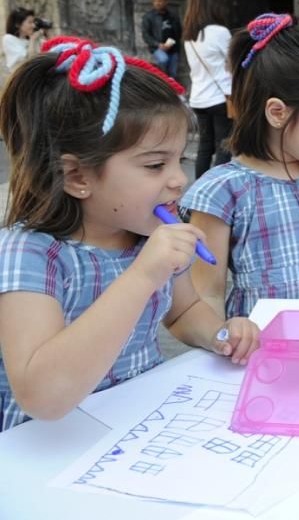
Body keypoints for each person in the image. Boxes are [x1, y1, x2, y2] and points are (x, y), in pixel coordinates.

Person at [0, 37, 259, 432]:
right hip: (48, 450)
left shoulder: (147, 235)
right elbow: (43, 395)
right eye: (155, 165)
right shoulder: (31, 253)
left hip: (134, 429)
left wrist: (221, 334)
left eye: (180, 160)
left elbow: (183, 310)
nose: (178, 180)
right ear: (78, 176)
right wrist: (141, 277)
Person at [181, 13, 299, 319]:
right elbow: (207, 292)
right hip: (266, 354)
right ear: (277, 112)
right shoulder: (222, 193)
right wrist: (222, 340)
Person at [182, 0, 233, 178]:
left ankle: (200, 187)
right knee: (224, 146)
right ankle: (217, 187)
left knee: (205, 148)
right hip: (220, 98)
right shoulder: (219, 32)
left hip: (198, 98)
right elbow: (232, 63)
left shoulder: (189, 35)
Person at [141, 0, 181, 78]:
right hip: (157, 47)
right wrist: (158, 45)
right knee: (163, 60)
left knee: (173, 72)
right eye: (155, 1)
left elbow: (178, 32)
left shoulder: (173, 16)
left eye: (160, 1)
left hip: (173, 48)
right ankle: (162, 82)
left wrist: (172, 42)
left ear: (166, 1)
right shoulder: (148, 17)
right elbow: (145, 35)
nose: (157, 3)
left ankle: (172, 89)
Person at [2, 7, 44, 77]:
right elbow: (29, 61)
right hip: (22, 81)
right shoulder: (9, 39)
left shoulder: (33, 39)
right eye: (30, 22)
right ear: (17, 24)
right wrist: (32, 40)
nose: (33, 25)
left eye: (33, 22)